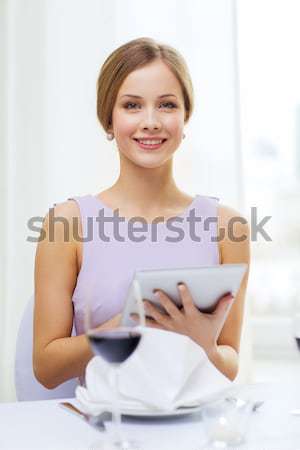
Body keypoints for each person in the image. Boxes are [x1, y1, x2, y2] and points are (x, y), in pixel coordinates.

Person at [33, 37, 250, 389]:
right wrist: (122, 327)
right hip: (105, 429)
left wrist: (203, 344)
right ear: (108, 119)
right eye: (132, 105)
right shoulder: (66, 223)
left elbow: (229, 363)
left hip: (192, 428)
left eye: (166, 105)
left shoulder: (228, 226)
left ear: (185, 116)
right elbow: (46, 368)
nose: (150, 122)